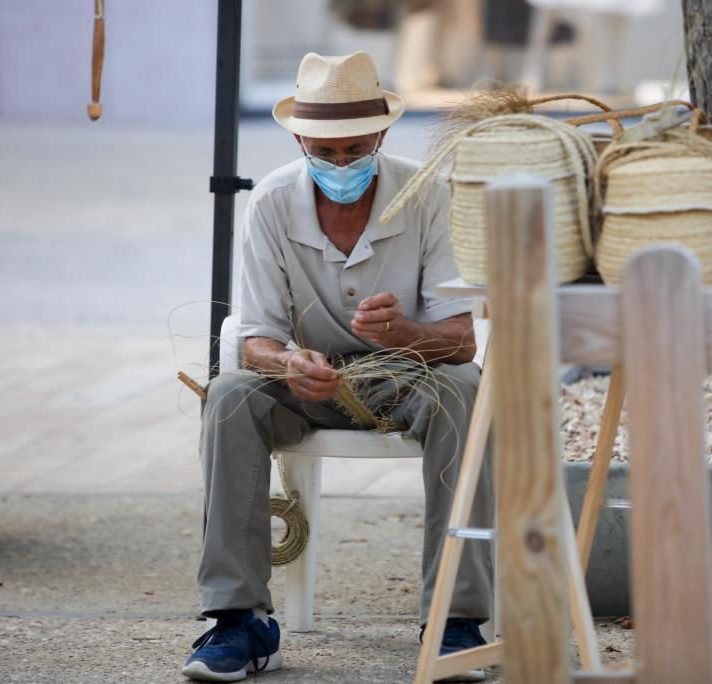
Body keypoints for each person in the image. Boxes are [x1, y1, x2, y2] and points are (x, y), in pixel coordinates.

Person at [182, 51, 493, 682]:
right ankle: (238, 620)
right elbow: (254, 338)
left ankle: (455, 618)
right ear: (300, 138)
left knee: (465, 391)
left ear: (381, 134)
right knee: (232, 395)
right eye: (325, 152)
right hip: (307, 381)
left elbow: (461, 342)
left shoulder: (429, 194)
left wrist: (406, 332)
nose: (342, 164)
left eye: (356, 148)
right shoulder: (270, 202)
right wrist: (289, 360)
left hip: (413, 372)